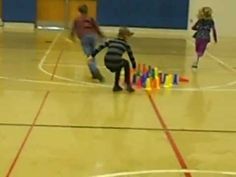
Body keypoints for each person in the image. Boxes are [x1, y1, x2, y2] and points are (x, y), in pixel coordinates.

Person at [89, 27, 136, 92]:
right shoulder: (126, 45)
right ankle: (127, 84)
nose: (129, 37)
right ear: (125, 36)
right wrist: (134, 67)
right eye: (128, 36)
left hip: (107, 62)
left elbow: (100, 47)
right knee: (126, 62)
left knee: (119, 64)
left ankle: (116, 86)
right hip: (115, 62)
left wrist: (92, 55)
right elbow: (131, 57)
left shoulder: (111, 41)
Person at [71, 4, 104, 82]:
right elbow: (96, 27)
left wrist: (72, 37)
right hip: (93, 37)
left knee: (89, 56)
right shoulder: (91, 18)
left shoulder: (77, 19)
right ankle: (93, 73)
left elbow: (73, 29)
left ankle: (97, 73)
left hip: (84, 38)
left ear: (79, 12)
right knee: (92, 55)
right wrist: (101, 35)